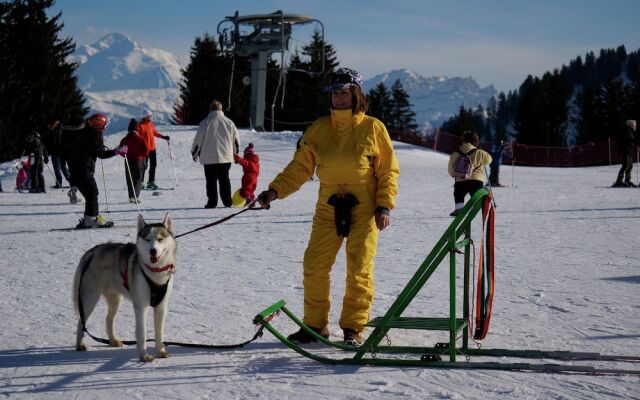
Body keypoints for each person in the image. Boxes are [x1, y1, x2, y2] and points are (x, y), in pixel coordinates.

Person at [257, 68, 400, 346]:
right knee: (314, 264)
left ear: (356, 95)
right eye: (335, 93)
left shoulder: (373, 128)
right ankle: (314, 325)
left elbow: (388, 172)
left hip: (365, 206)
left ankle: (353, 327)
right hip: (328, 205)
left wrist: (384, 205)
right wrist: (274, 191)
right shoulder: (320, 129)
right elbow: (299, 168)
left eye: (344, 93)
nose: (339, 98)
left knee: (359, 267)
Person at [65, 113, 127, 227]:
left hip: (75, 169)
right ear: (98, 125)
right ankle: (92, 218)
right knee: (92, 193)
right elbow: (101, 154)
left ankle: (89, 218)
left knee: (90, 194)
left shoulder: (81, 133)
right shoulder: (92, 135)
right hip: (84, 169)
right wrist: (117, 151)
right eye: (103, 126)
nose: (104, 129)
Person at [191, 99, 240, 208]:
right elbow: (235, 140)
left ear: (210, 109)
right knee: (225, 180)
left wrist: (194, 153)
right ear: (221, 109)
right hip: (225, 158)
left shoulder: (205, 122)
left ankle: (212, 202)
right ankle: (227, 202)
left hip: (209, 158)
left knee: (211, 181)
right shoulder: (229, 122)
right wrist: (235, 152)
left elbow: (198, 140)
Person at [447, 130, 492, 216]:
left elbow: (450, 171)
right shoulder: (480, 152)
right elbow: (489, 159)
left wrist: (457, 175)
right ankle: (478, 204)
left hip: (460, 181)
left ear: (463, 140)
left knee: (458, 195)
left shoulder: (455, 154)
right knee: (476, 197)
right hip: (476, 181)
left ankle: (459, 208)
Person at [138, 109, 169, 190]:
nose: (150, 117)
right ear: (145, 116)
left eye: (150, 115)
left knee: (153, 165)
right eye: (149, 116)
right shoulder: (140, 125)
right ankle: (140, 182)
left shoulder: (151, 124)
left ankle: (151, 182)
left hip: (152, 149)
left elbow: (155, 133)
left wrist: (163, 137)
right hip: (144, 149)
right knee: (144, 166)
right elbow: (139, 138)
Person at [119, 118, 148, 203]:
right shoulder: (141, 139)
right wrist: (142, 156)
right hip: (139, 161)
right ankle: (136, 196)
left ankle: (131, 196)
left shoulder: (124, 139)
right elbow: (146, 151)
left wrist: (124, 155)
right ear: (137, 129)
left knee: (129, 178)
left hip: (128, 160)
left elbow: (120, 150)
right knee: (138, 179)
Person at [613, 120, 638, 187]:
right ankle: (619, 181)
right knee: (626, 165)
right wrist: (635, 141)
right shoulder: (627, 130)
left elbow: (631, 140)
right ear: (631, 125)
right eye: (634, 125)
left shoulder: (630, 131)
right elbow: (628, 140)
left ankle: (627, 180)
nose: (635, 126)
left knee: (630, 166)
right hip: (626, 151)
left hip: (629, 152)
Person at [47, 120, 70, 189]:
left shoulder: (55, 131)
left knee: (57, 168)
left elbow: (53, 143)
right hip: (62, 152)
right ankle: (72, 181)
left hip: (56, 152)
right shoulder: (62, 129)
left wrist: (50, 150)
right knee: (63, 167)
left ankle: (59, 183)